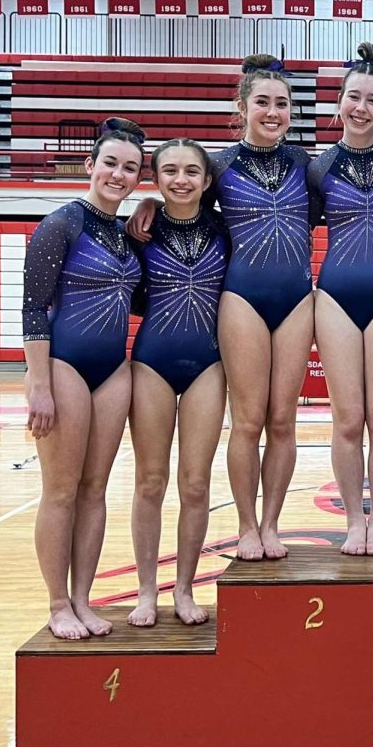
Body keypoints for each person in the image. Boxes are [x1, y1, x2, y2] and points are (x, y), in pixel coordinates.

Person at [130, 55, 320, 560]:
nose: (273, 111)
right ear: (242, 106)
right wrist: (147, 203)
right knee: (249, 419)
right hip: (241, 300)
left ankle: (273, 523)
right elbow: (181, 198)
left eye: (282, 103)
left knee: (284, 420)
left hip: (297, 299)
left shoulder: (306, 164)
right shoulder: (218, 164)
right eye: (262, 102)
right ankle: (246, 526)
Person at [22, 117, 146, 639]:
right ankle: (56, 603)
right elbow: (32, 306)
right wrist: (40, 384)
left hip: (112, 369)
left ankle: (82, 599)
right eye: (110, 163)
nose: (118, 174)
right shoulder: (62, 223)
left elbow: (140, 299)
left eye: (131, 168)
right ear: (90, 166)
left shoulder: (126, 233)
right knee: (62, 490)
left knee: (95, 489)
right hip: (65, 365)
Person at [310, 43, 373, 555]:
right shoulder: (319, 166)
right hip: (334, 298)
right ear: (340, 101)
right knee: (347, 420)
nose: (362, 108)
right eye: (354, 96)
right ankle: (354, 519)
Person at [127, 139, 228, 627]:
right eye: (170, 171)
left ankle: (185, 588)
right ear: (155, 179)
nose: (181, 179)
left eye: (192, 171)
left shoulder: (225, 228)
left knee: (195, 483)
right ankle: (148, 590)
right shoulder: (139, 231)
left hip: (208, 364)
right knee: (150, 481)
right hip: (151, 363)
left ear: (207, 180)